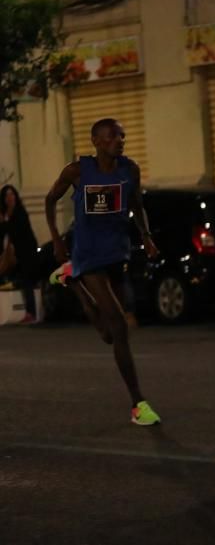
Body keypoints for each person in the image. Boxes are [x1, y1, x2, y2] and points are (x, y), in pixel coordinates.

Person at [44, 119, 162, 425]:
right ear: (96, 141)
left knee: (110, 335)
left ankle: (72, 283)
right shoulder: (78, 171)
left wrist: (146, 237)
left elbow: (136, 203)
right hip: (88, 254)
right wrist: (57, 239)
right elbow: (49, 200)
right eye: (112, 136)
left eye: (122, 135)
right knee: (121, 327)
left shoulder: (129, 169)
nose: (119, 140)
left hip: (116, 253)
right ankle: (139, 404)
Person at [0, 184, 40, 322]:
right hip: (16, 254)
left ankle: (32, 313)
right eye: (6, 195)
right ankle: (29, 311)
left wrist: (5, 221)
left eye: (12, 194)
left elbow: (14, 231)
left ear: (16, 196)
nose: (9, 197)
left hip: (27, 251)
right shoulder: (6, 214)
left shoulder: (19, 212)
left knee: (27, 281)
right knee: (23, 281)